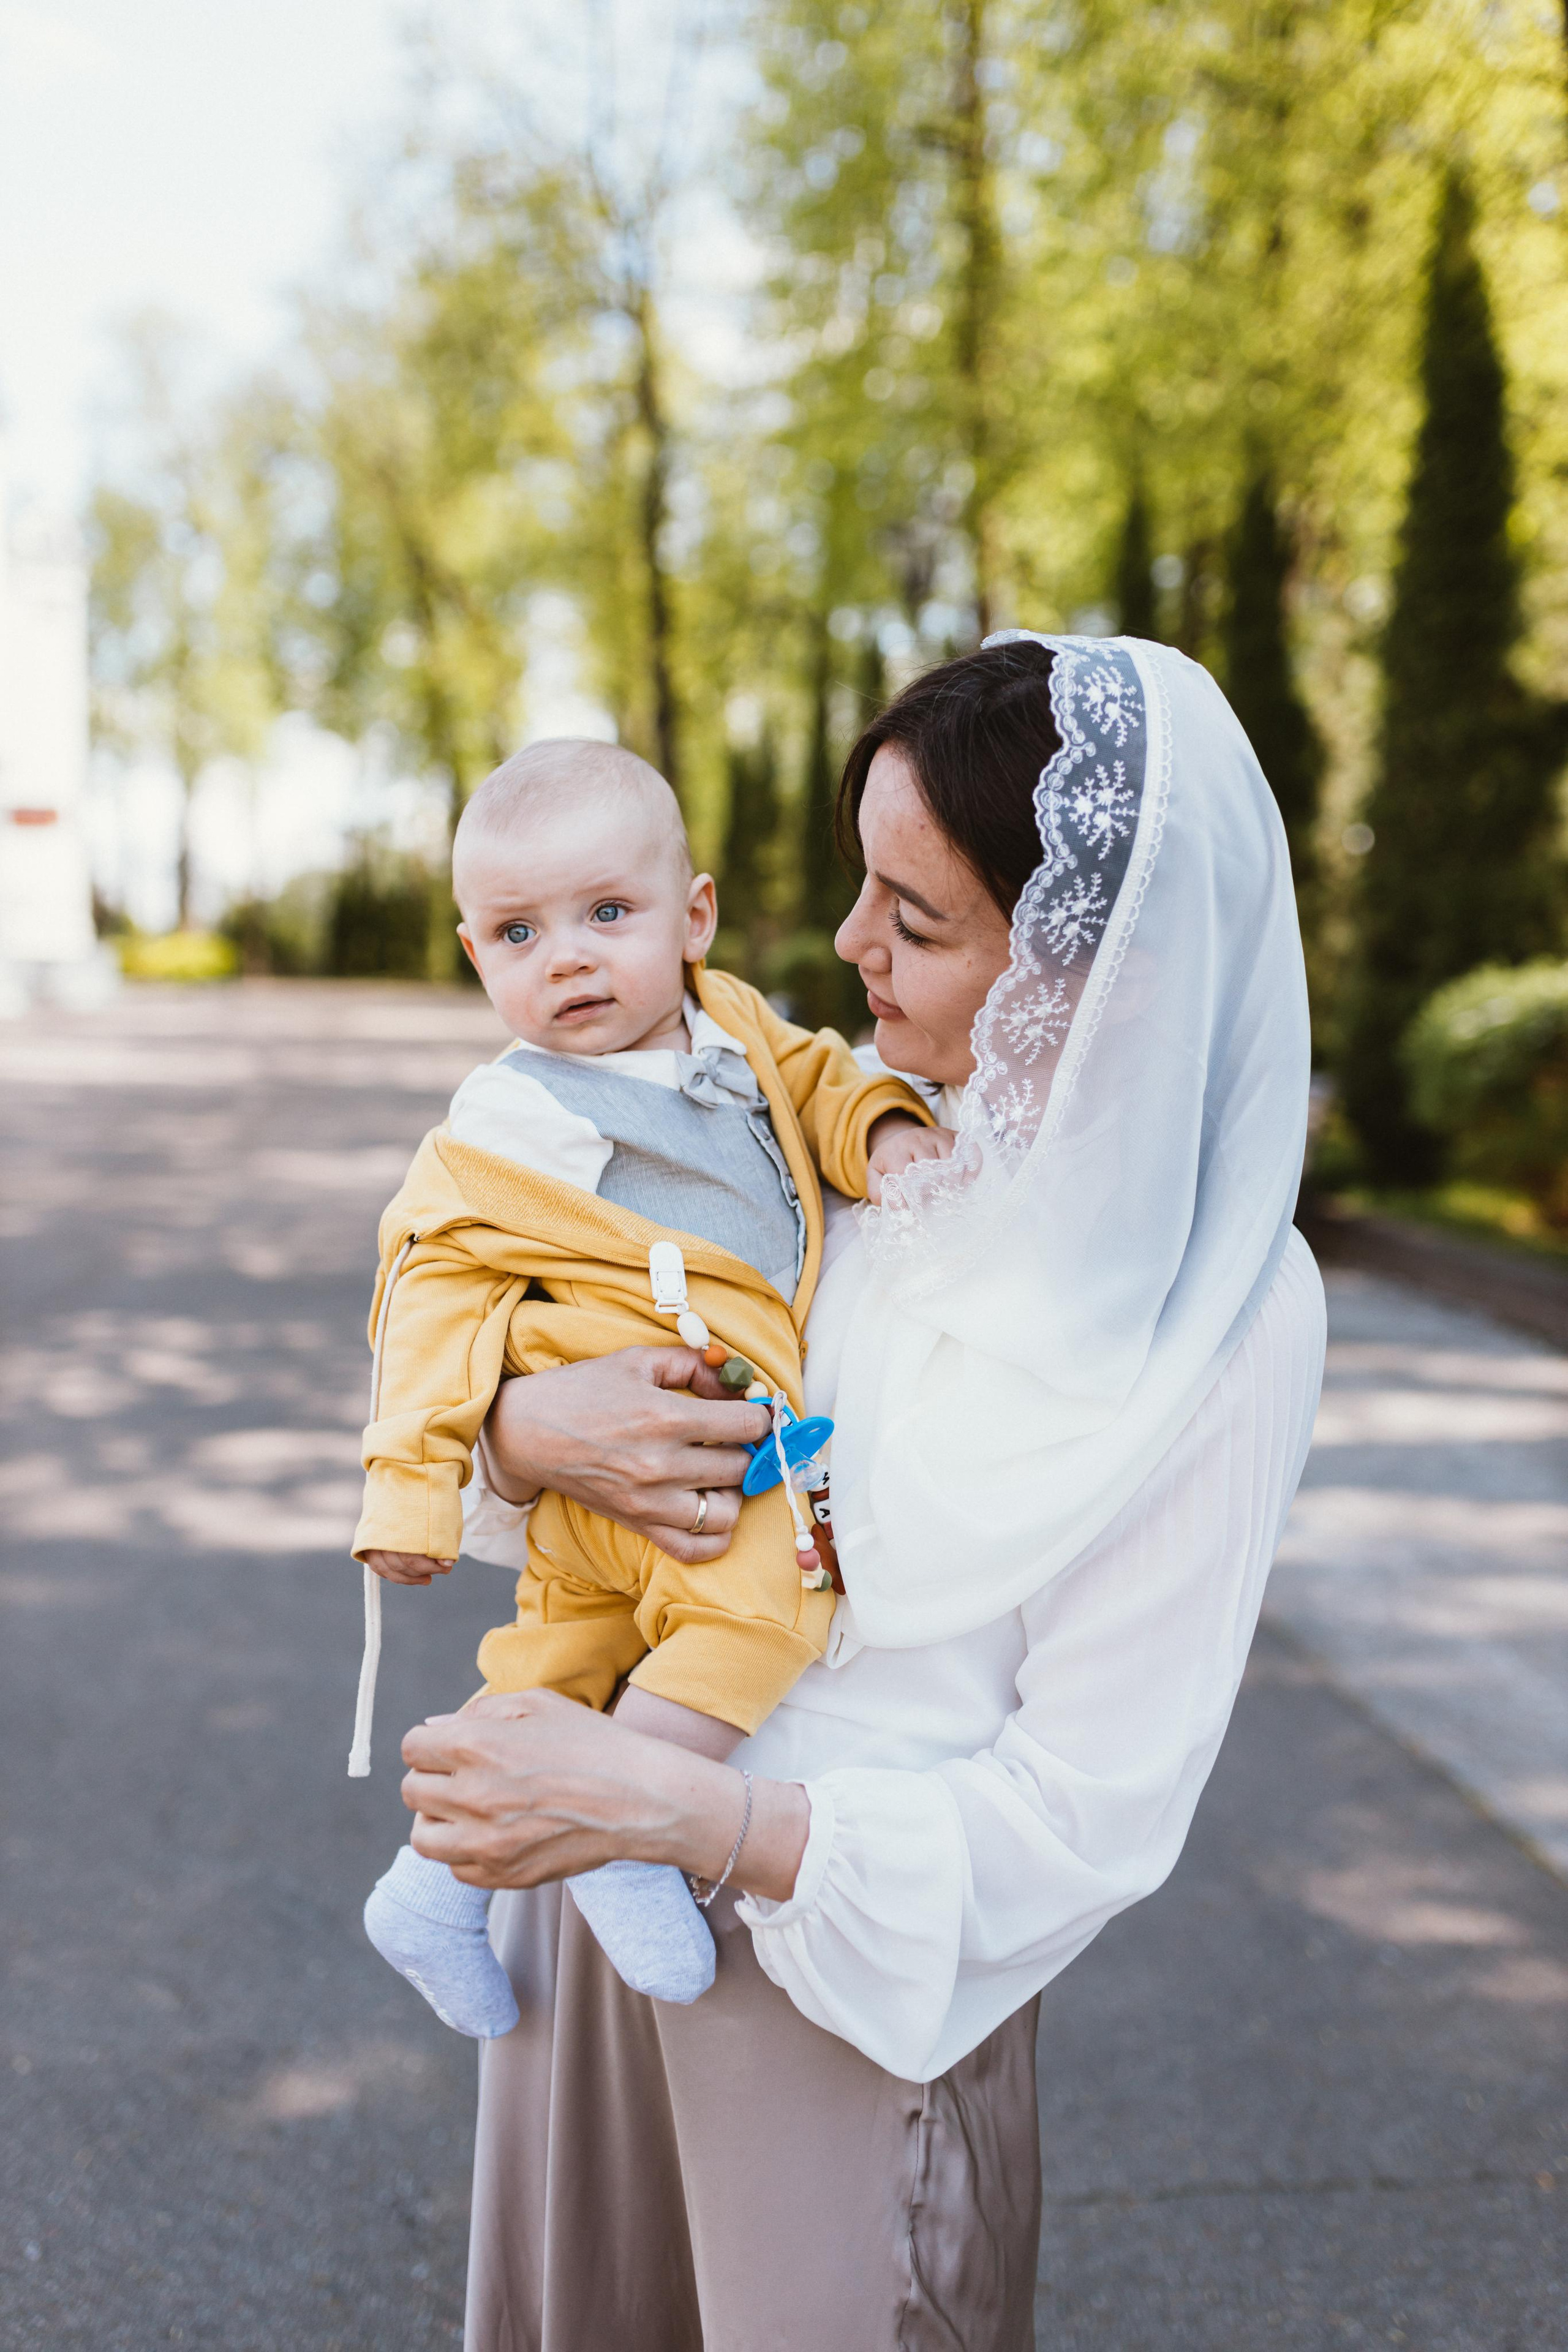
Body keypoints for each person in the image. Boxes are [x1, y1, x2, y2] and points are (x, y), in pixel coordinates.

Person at [402, 635, 1328, 2352]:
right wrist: (527, 1435)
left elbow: (1085, 1818)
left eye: (915, 915)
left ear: (1097, 964)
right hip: (582, 1901)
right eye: (859, 887)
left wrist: (690, 1818)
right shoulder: (831, 1143)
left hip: (841, 1997)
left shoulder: (1223, 1302)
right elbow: (489, 1361)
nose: (845, 945)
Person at [351, 737, 935, 2031]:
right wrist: (411, 1494)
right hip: (657, 1461)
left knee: (552, 1674)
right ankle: (626, 1825)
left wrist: (886, 1132)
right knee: (777, 1601)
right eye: (519, 933)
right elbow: (426, 1302)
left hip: (637, 1490)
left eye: (607, 913)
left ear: (694, 918)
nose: (565, 958)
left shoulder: (737, 1031)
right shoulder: (503, 1128)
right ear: (476, 956)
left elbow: (821, 1080)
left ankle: (427, 1887)